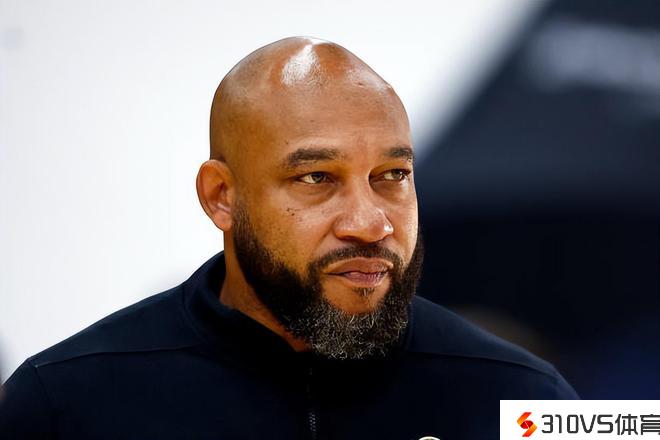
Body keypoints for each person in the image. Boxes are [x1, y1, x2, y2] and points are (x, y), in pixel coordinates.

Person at [0, 37, 577, 439]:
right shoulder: (64, 405)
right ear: (221, 196)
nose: (370, 223)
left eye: (392, 175)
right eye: (316, 178)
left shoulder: (526, 401)